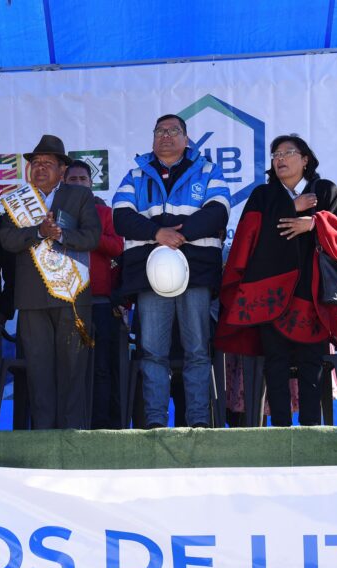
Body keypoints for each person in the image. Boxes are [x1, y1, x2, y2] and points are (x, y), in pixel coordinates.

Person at [215, 135, 337, 426]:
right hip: (269, 292)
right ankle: (281, 428)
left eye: (287, 152)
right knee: (276, 362)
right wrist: (291, 209)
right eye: (275, 154)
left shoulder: (326, 190)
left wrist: (315, 223)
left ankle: (310, 428)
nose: (279, 158)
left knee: (312, 364)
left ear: (305, 159)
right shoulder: (263, 195)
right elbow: (247, 238)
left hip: (313, 294)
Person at [112, 114, 231, 429]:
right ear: (152, 137)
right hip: (149, 277)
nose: (166, 136)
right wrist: (158, 235)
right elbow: (121, 216)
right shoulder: (136, 174)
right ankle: (154, 421)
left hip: (196, 272)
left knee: (196, 349)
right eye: (159, 131)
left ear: (186, 137)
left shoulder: (208, 170)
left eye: (173, 130)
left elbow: (218, 211)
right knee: (152, 352)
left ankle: (199, 421)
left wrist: (178, 236)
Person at [0, 135, 100, 429]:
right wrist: (39, 232)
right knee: (39, 373)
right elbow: (7, 239)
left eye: (48, 163)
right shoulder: (17, 201)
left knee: (73, 371)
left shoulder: (79, 197)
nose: (40, 168)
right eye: (35, 163)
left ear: (62, 170)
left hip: (71, 297)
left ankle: (73, 436)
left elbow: (92, 236)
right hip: (31, 301)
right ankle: (43, 436)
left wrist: (61, 236)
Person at [64, 159, 124, 428]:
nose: (77, 184)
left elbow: (117, 248)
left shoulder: (105, 212)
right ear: (64, 184)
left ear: (91, 184)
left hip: (100, 303)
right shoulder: (56, 214)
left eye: (82, 180)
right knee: (70, 369)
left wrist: (89, 233)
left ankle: (103, 427)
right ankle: (71, 425)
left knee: (102, 369)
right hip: (66, 303)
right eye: (72, 180)